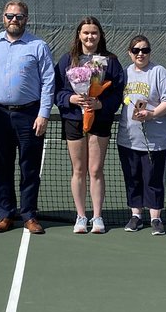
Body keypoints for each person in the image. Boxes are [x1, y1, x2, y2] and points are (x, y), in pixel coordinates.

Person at [0, 0, 55, 235]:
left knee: (29, 169)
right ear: (3, 18)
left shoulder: (39, 46)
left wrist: (44, 114)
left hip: (30, 115)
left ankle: (29, 215)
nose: (14, 20)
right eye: (10, 16)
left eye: (19, 16)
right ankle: (5, 214)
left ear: (26, 19)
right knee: (1, 167)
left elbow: (48, 81)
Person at [54, 16, 125, 235]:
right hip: (74, 120)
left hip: (100, 120)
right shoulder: (67, 60)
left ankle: (97, 216)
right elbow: (57, 90)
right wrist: (71, 99)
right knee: (78, 169)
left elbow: (118, 91)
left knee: (95, 169)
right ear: (79, 35)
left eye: (94, 32)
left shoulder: (110, 61)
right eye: (86, 32)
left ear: (100, 35)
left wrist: (101, 103)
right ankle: (81, 216)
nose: (90, 36)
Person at [117, 35, 166, 236]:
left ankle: (155, 218)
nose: (140, 54)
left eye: (145, 50)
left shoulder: (159, 72)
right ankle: (136, 215)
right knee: (132, 178)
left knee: (153, 178)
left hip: (155, 140)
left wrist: (152, 114)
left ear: (150, 52)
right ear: (130, 53)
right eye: (136, 50)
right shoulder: (125, 73)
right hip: (128, 138)